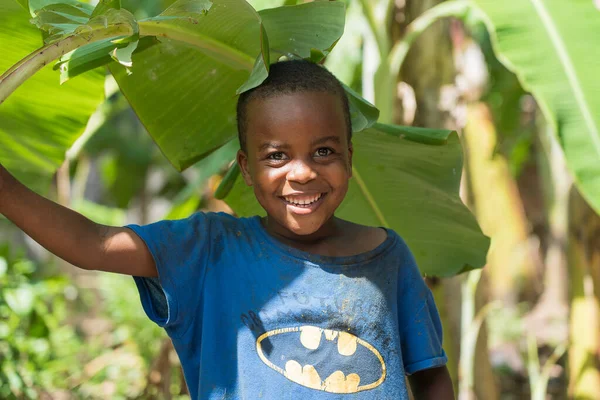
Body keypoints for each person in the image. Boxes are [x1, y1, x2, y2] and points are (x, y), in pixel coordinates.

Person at [0, 60, 454, 399]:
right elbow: (91, 244)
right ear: (247, 168)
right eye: (277, 156)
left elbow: (430, 374)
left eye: (323, 152)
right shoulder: (210, 249)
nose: (302, 173)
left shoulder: (386, 258)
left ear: (350, 157)